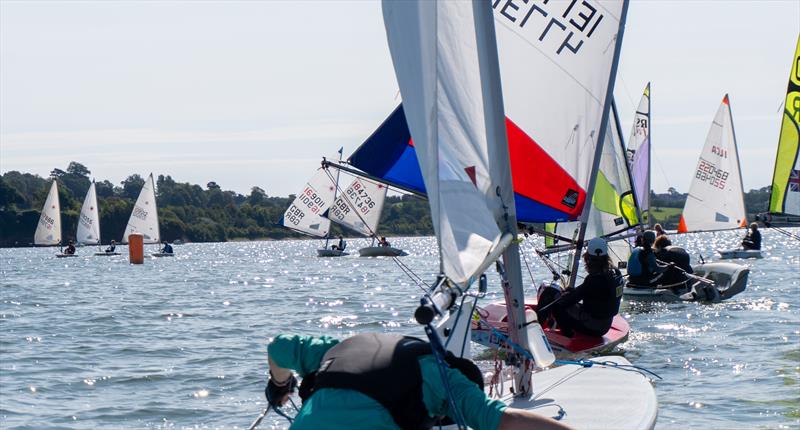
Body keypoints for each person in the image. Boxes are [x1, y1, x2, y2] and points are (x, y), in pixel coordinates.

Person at [265, 333, 573, 430]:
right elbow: (507, 420)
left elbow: (277, 346)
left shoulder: (336, 347)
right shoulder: (444, 378)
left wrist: (280, 386)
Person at [537, 238, 623, 338]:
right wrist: (572, 292)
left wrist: (559, 296)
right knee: (559, 297)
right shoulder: (616, 273)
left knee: (555, 302)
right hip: (606, 323)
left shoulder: (594, 280)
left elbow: (567, 302)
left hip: (594, 327)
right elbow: (594, 293)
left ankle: (563, 335)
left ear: (588, 258)